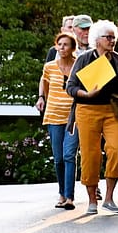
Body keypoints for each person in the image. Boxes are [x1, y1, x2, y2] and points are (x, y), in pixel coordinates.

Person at [66, 19, 118, 215]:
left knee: (117, 149)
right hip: (87, 110)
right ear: (97, 39)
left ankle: (109, 198)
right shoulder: (84, 59)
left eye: (114, 37)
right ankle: (92, 200)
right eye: (108, 37)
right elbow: (71, 86)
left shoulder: (117, 58)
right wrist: (86, 94)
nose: (112, 40)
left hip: (112, 110)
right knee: (90, 155)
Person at [36, 32, 79, 209]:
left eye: (66, 44)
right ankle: (61, 193)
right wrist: (41, 98)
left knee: (69, 155)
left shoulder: (79, 64)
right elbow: (44, 84)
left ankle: (69, 197)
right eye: (59, 44)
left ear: (72, 48)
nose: (62, 48)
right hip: (53, 115)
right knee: (59, 158)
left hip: (73, 116)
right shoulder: (49, 67)